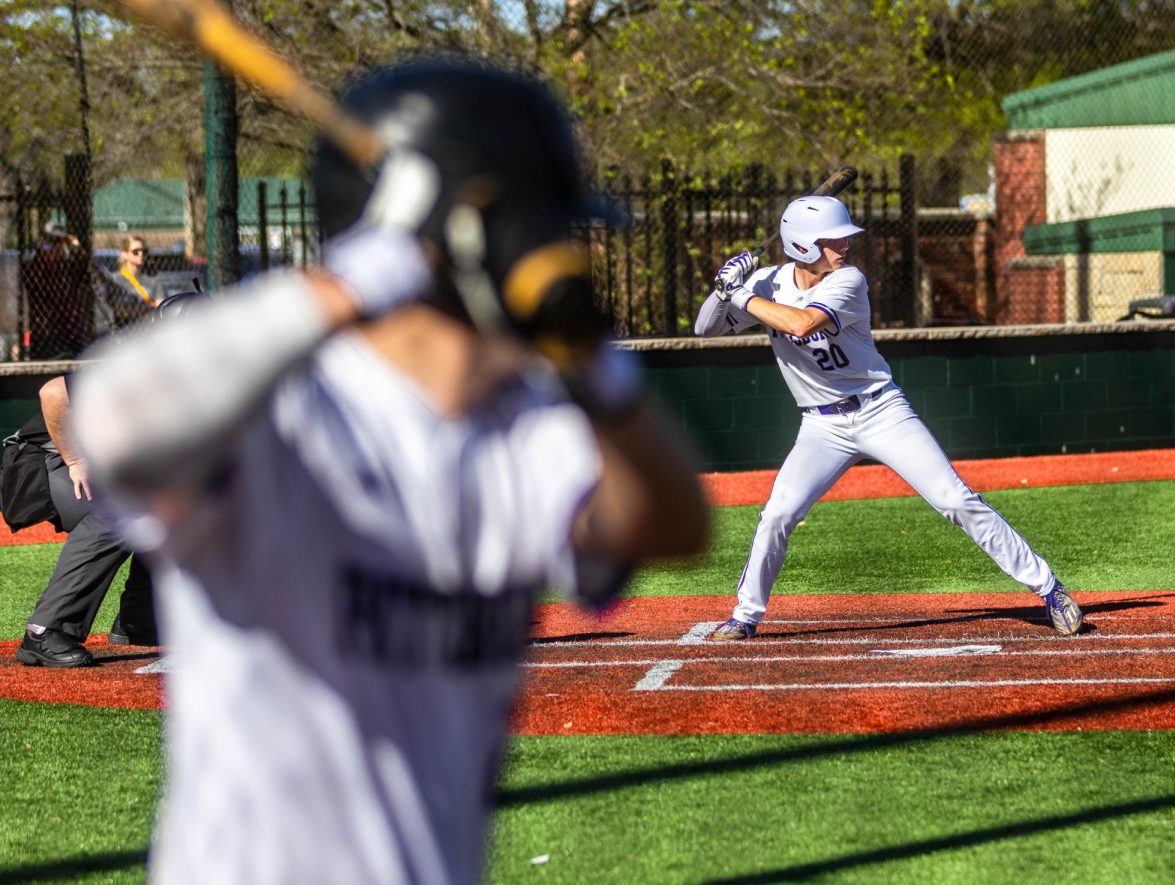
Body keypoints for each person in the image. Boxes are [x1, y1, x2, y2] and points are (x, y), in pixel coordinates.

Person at [71, 57, 709, 884]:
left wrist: (594, 361)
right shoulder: (284, 411)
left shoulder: (523, 427)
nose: (558, 253)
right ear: (458, 238)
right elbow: (116, 414)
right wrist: (367, 271)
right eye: (542, 228)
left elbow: (669, 523)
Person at [695, 195, 1083, 640]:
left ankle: (1049, 588)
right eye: (832, 240)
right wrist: (723, 290)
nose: (844, 246)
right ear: (802, 246)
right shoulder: (768, 284)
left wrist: (741, 293)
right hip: (821, 426)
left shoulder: (848, 282)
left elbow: (800, 324)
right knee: (778, 513)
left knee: (954, 499)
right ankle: (745, 616)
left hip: (880, 409)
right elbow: (705, 328)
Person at [14, 375, 157, 668]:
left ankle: (140, 620)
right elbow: (53, 393)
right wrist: (77, 460)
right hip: (45, 457)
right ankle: (44, 631)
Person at [21, 223, 95, 359]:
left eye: (58, 241)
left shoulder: (68, 266)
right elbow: (31, 278)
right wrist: (43, 252)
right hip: (46, 334)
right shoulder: (35, 265)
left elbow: (85, 266)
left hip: (72, 332)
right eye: (52, 241)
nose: (55, 246)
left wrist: (75, 246)